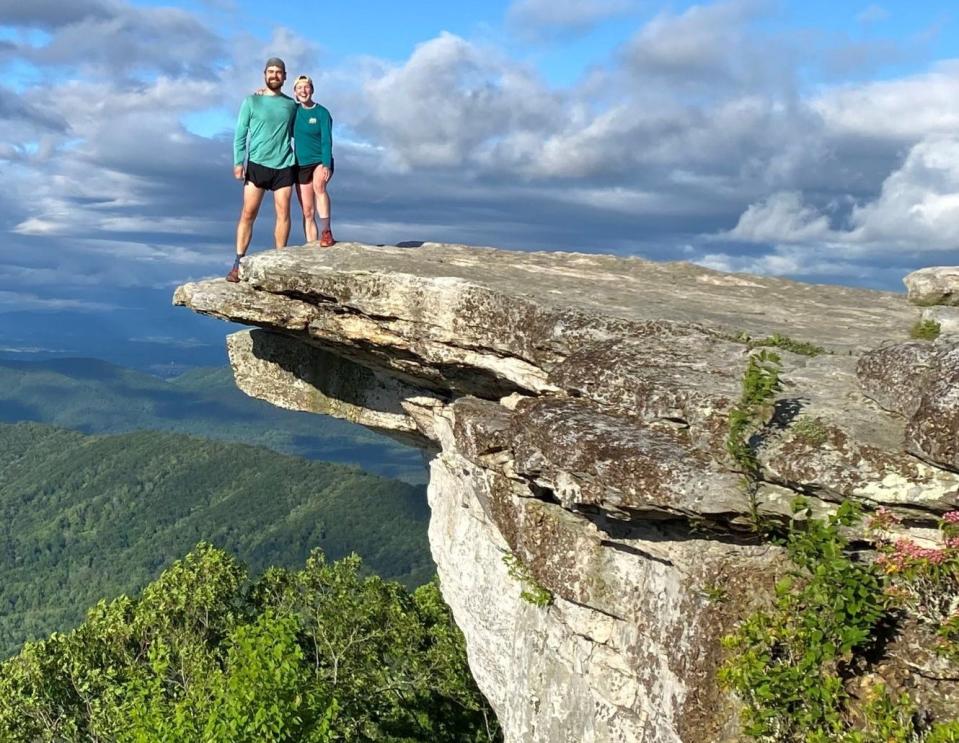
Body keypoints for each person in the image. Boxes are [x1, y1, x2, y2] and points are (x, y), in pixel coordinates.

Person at [227, 57, 298, 283]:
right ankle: (238, 262)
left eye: (279, 72)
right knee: (248, 214)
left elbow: (303, 129)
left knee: (283, 213)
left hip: (284, 165)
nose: (274, 75)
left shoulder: (291, 105)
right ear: (264, 75)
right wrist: (239, 162)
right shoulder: (251, 101)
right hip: (257, 164)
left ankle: (279, 262)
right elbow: (240, 133)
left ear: (285, 77)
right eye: (271, 71)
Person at [291, 74, 335, 247]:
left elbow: (327, 140)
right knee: (308, 211)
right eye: (299, 88)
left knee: (319, 187)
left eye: (306, 87)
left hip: (319, 161)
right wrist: (262, 92)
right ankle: (311, 246)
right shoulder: (293, 111)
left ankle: (326, 232)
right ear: (295, 92)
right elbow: (277, 101)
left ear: (312, 89)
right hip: (301, 165)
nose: (303, 90)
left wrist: (326, 164)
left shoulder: (322, 112)